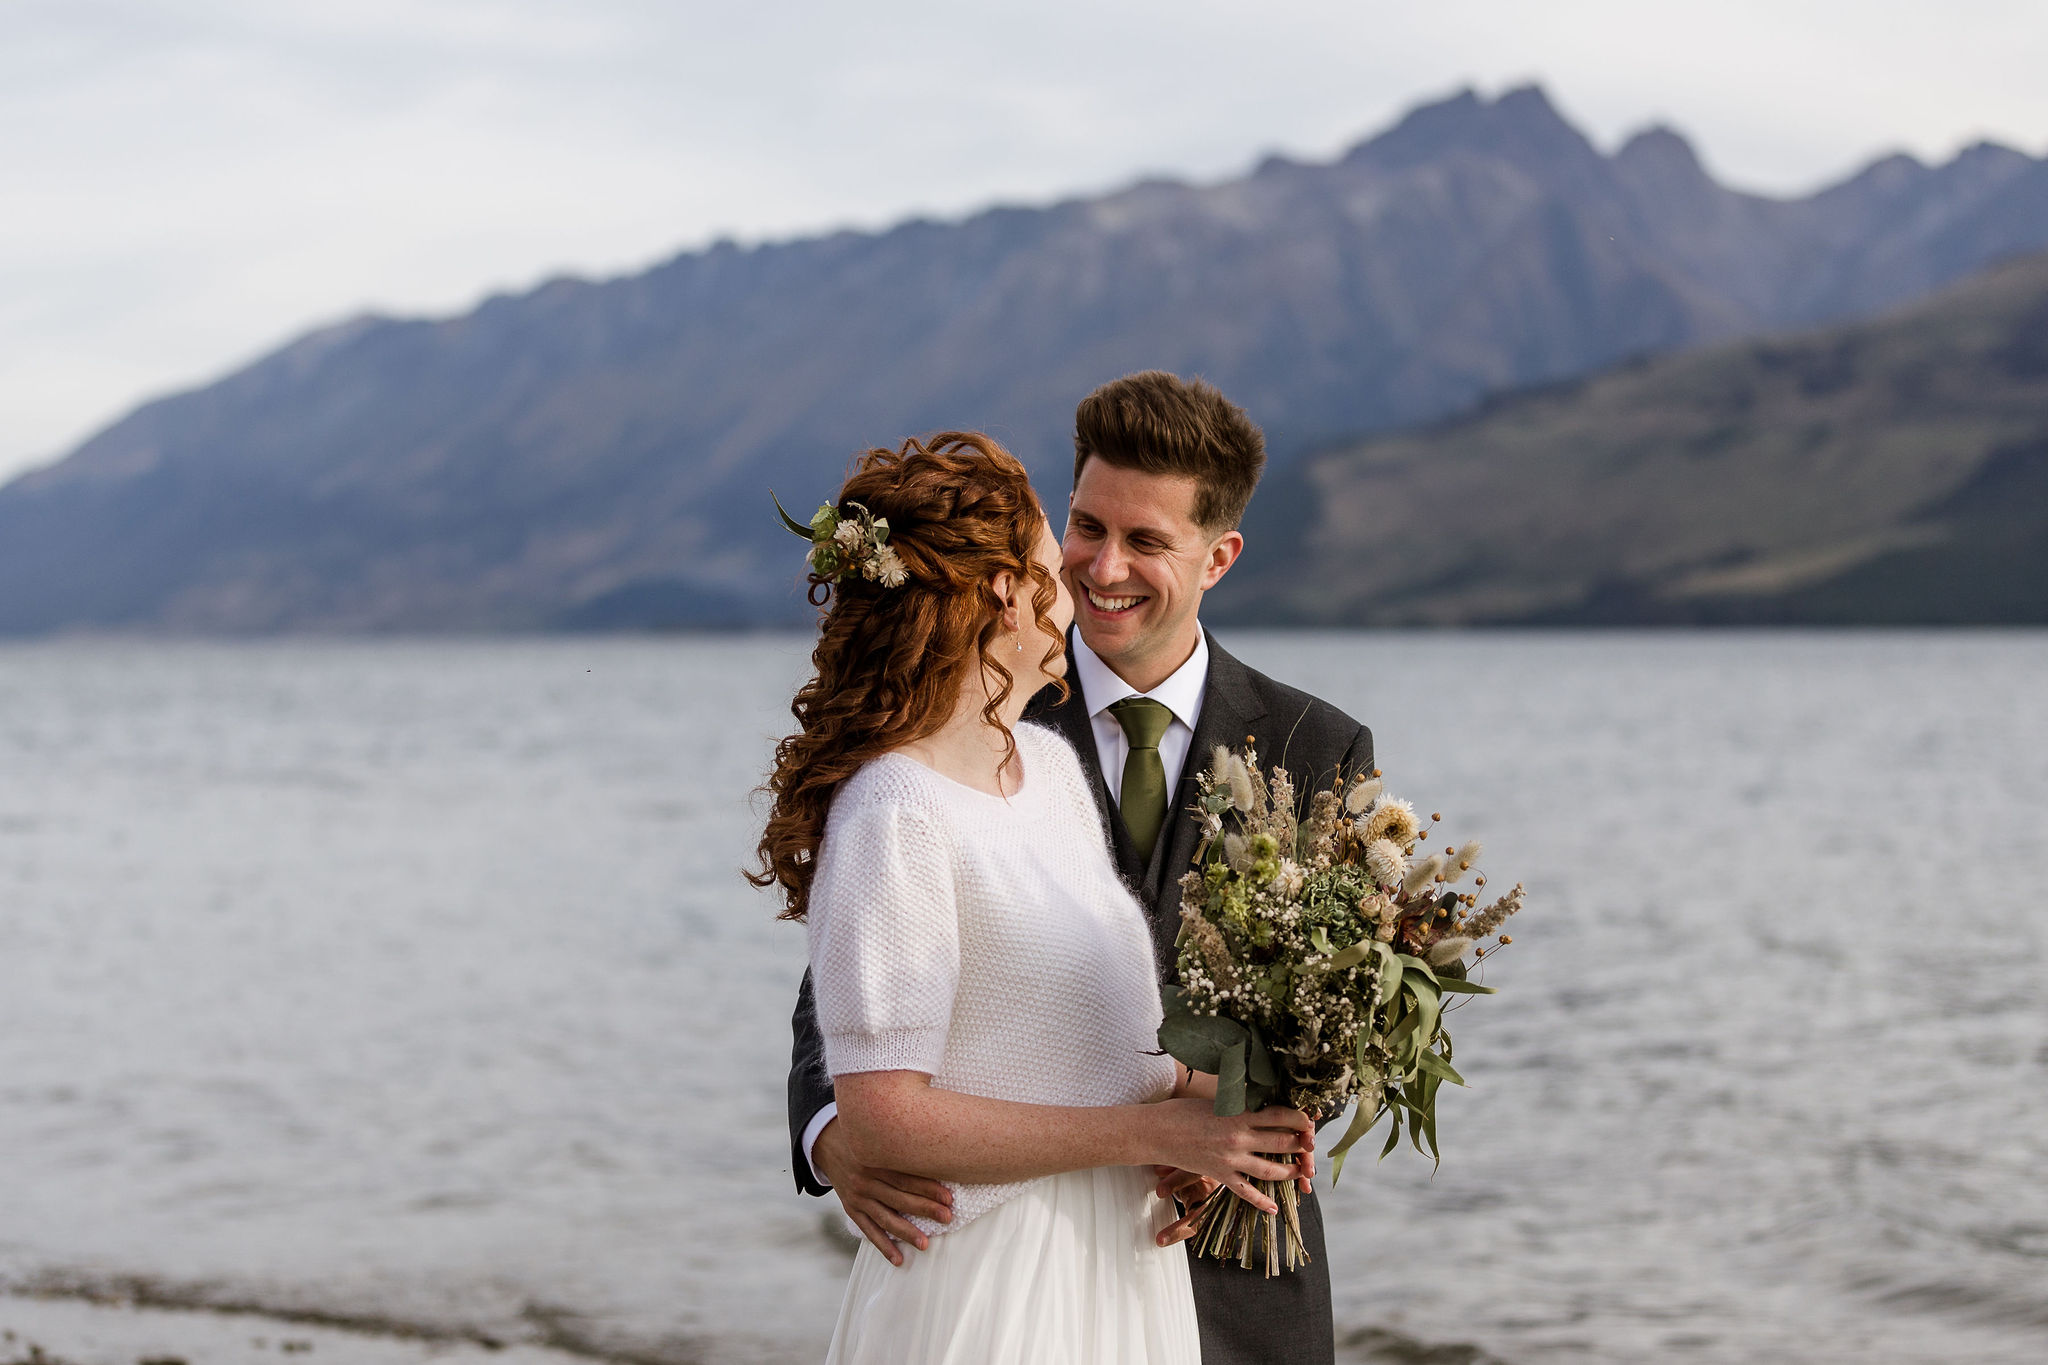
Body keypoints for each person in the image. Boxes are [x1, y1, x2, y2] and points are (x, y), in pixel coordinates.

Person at [788, 375, 1375, 1365]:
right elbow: (846, 994)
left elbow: (1341, 1016)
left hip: (1230, 1280)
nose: (1101, 568)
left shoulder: (1315, 747)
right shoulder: (950, 748)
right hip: (999, 1255)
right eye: (1084, 528)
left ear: (1217, 556)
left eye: (1145, 541)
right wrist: (836, 1136)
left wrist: (1230, 1126)